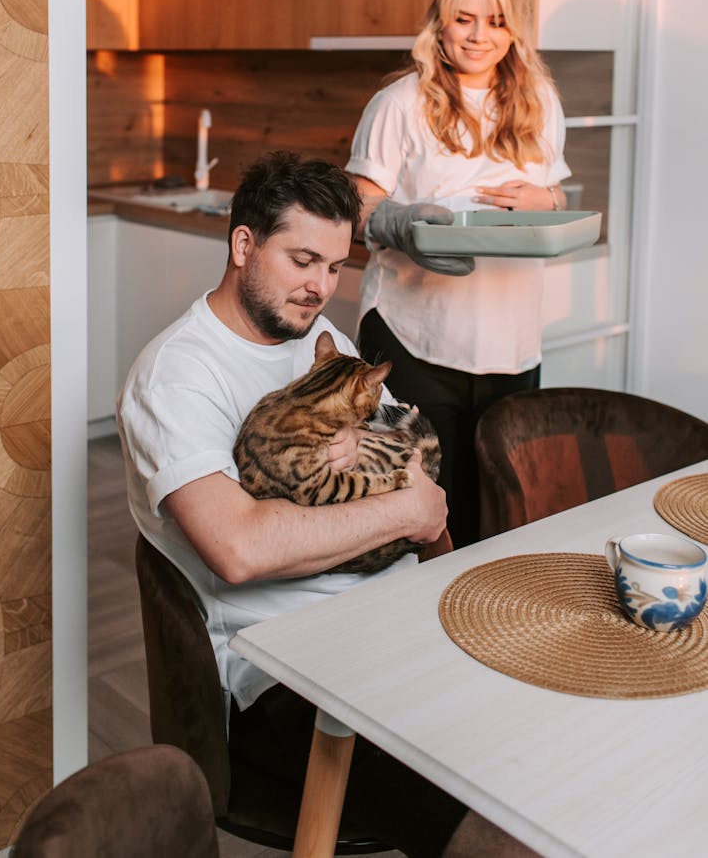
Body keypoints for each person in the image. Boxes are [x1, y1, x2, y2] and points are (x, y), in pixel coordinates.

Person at [118, 150, 538, 858]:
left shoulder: (326, 345)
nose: (320, 286)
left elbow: (420, 462)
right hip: (290, 672)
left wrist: (447, 565)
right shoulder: (177, 375)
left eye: (335, 266)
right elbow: (241, 545)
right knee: (501, 827)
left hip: (400, 619)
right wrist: (407, 513)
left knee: (558, 743)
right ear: (243, 243)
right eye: (302, 259)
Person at [346, 0, 571, 548]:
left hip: (511, 345)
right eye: (463, 19)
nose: (478, 36)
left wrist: (547, 200)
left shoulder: (539, 104)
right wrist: (401, 224)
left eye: (496, 21)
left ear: (514, 28)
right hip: (413, 341)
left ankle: (477, 628)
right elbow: (357, 204)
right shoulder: (399, 103)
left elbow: (559, 199)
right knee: (413, 516)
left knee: (498, 513)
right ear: (439, 24)